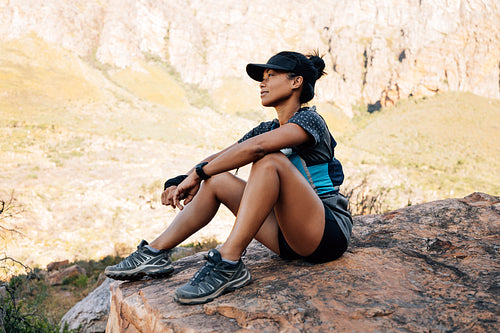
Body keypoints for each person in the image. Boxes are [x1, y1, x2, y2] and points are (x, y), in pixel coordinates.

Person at [104, 51, 353, 305]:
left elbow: (255, 149)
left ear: (296, 82)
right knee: (218, 179)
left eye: (271, 75)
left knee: (269, 160)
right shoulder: (267, 128)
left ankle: (228, 262)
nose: (262, 83)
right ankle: (155, 252)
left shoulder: (310, 120)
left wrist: (198, 175)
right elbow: (222, 157)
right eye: (262, 78)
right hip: (285, 237)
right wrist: (182, 180)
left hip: (325, 233)